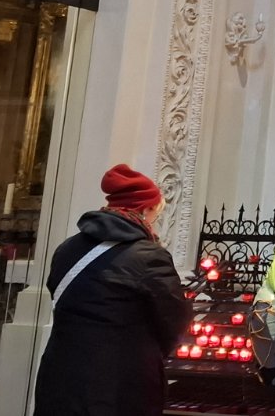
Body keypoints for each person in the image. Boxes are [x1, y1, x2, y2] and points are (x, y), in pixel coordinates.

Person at [33, 164, 190, 416]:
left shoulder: (67, 248)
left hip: (61, 374)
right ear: (145, 209)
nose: (155, 221)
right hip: (118, 383)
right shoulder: (148, 256)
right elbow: (175, 320)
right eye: (156, 214)